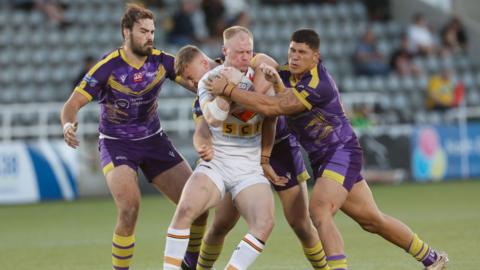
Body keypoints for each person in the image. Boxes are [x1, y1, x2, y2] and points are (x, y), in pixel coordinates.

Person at [206, 28, 448, 270]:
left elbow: (272, 108)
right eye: (292, 51)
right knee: (372, 220)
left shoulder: (318, 83)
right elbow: (260, 64)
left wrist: (228, 89)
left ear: (316, 57)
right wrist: (248, 64)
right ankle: (432, 258)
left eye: (302, 52)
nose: (295, 57)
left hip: (341, 151)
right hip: (323, 158)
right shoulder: (288, 75)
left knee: (319, 211)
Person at [60, 4, 207, 270]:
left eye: (152, 31)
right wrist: (68, 125)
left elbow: (197, 85)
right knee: (129, 208)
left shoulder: (163, 61)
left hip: (154, 140)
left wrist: (215, 88)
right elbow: (71, 104)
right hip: (117, 144)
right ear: (126, 31)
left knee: (199, 206)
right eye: (143, 31)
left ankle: (190, 265)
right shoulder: (107, 67)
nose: (150, 36)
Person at [175, 44, 328, 270]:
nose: (191, 84)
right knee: (221, 224)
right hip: (241, 157)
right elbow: (202, 130)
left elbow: (268, 72)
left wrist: (237, 94)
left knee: (300, 223)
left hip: (280, 146)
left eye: (189, 78)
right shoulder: (204, 97)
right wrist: (204, 146)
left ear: (204, 64)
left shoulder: (243, 62)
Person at [163, 26, 279, 270]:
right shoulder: (209, 79)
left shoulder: (261, 75)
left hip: (248, 169)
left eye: (249, 52)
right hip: (217, 163)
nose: (245, 57)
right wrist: (228, 93)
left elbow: (265, 109)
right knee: (186, 210)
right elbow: (213, 117)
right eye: (238, 53)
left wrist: (234, 90)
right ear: (224, 51)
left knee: (265, 223)